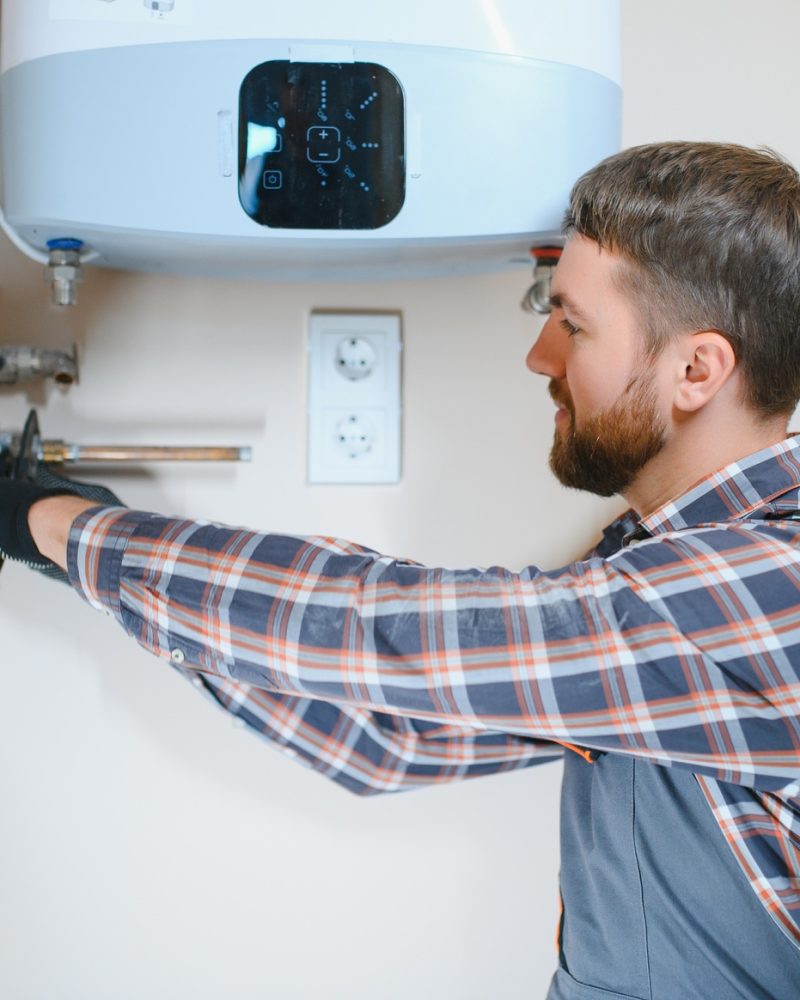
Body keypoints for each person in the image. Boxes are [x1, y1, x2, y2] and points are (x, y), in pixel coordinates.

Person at [2, 141, 800, 999]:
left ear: (695, 370)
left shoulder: (764, 583)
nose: (540, 355)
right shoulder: (656, 569)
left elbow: (378, 626)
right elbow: (391, 738)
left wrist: (56, 524)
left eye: (572, 322)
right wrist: (85, 567)